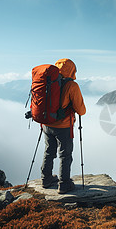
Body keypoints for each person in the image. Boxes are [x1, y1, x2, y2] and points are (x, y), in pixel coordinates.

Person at [41, 58, 86, 194]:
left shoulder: (48, 81)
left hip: (46, 123)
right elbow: (81, 110)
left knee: (49, 152)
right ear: (72, 70)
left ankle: (46, 179)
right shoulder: (72, 86)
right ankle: (64, 184)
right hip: (63, 126)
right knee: (65, 155)